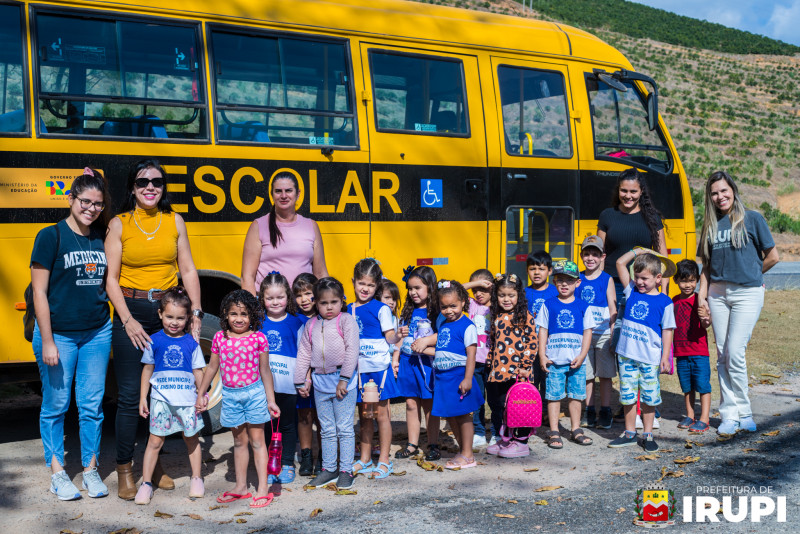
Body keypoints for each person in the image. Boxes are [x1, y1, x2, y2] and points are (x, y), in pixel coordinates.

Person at [105, 159, 203, 500]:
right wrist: (127, 320)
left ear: (163, 188)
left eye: (157, 182)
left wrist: (196, 312)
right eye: (143, 182)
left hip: (167, 315)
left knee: (164, 394)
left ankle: (154, 465)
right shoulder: (119, 224)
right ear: (132, 187)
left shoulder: (174, 221)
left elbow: (188, 269)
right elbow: (111, 280)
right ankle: (124, 470)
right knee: (132, 396)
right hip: (131, 314)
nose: (151, 187)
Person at [30, 168, 112, 501]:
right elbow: (38, 292)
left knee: (91, 406)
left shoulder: (101, 237)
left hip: (96, 333)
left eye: (97, 204)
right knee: (56, 405)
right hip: (59, 336)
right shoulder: (50, 236)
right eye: (85, 201)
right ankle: (58, 474)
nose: (91, 208)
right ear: (71, 199)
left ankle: (90, 470)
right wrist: (48, 340)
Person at [696, 171, 779, 435]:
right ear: (709, 197)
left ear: (733, 189)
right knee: (722, 354)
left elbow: (772, 256)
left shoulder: (752, 218)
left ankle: (745, 411)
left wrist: (753, 275)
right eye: (714, 193)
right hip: (718, 294)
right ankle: (729, 415)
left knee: (735, 351)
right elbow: (706, 266)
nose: (720, 196)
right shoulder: (710, 225)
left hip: (747, 293)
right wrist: (702, 294)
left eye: (723, 190)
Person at [195, 290, 280, 508]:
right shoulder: (219, 338)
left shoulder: (258, 338)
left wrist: (271, 400)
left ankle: (263, 488)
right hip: (230, 397)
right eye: (233, 314)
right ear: (225, 315)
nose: (239, 319)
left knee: (258, 441)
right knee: (239, 442)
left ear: (252, 315)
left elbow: (265, 371)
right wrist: (201, 394)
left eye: (244, 314)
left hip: (254, 394)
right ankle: (241, 486)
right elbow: (212, 367)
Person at [136, 287, 206, 505]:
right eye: (169, 317)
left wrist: (201, 396)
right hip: (160, 401)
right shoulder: (153, 341)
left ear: (187, 318)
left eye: (180, 318)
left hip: (187, 402)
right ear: (160, 315)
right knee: (155, 441)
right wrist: (142, 398)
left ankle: (197, 478)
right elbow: (147, 370)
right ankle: (146, 483)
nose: (174, 322)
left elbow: (198, 372)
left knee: (192, 439)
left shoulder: (191, 343)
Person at [295, 278, 360, 490]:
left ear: (342, 301)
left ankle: (345, 470)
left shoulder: (346, 321)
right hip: (320, 383)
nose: (329, 307)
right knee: (326, 429)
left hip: (343, 381)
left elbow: (352, 350)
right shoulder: (311, 324)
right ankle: (329, 468)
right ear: (317, 303)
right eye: (324, 303)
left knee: (344, 428)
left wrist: (344, 379)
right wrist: (300, 380)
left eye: (334, 301)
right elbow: (304, 352)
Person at [607, 249, 675, 452]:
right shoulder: (631, 291)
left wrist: (665, 357)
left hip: (650, 359)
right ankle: (629, 433)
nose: (639, 282)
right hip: (627, 356)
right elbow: (620, 262)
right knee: (627, 395)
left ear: (658, 278)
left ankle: (647, 435)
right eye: (636, 277)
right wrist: (639, 251)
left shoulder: (665, 302)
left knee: (649, 397)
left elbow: (668, 331)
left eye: (644, 278)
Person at [348, 259, 403, 479]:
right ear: (353, 282)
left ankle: (384, 459)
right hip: (359, 371)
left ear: (377, 285)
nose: (365, 289)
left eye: (370, 285)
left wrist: (397, 337)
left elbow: (389, 335)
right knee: (364, 416)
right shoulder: (348, 309)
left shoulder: (382, 309)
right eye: (361, 283)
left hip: (379, 370)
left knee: (381, 415)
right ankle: (364, 458)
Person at [537, 261, 596, 449]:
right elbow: (543, 331)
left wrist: (583, 354)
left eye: (568, 281)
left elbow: (588, 332)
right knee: (553, 396)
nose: (564, 284)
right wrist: (542, 355)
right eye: (560, 280)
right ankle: (554, 430)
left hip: (576, 361)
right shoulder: (549, 304)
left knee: (576, 395)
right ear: (554, 281)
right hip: (554, 360)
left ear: (577, 283)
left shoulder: (583, 306)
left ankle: (576, 429)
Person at [597, 168, 668, 322]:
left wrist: (664, 291)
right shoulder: (606, 216)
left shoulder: (652, 218)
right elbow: (599, 255)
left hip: (644, 284)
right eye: (624, 191)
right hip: (612, 284)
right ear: (618, 190)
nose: (628, 196)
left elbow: (663, 258)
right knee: (612, 331)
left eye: (633, 191)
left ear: (641, 191)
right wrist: (600, 285)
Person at [241, 172, 328, 292]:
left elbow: (320, 273)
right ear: (271, 194)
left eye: (288, 190)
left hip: (303, 305)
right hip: (269, 305)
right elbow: (247, 277)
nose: (283, 195)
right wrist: (254, 308)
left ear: (298, 193)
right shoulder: (258, 226)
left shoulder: (311, 226)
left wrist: (328, 298)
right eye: (278, 191)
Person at [429, 280, 484, 470]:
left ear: (463, 302)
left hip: (459, 377)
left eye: (453, 305)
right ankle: (463, 451)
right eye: (444, 307)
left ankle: (468, 455)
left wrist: (468, 378)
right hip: (444, 379)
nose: (449, 310)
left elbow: (471, 355)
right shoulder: (443, 325)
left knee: (463, 416)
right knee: (451, 416)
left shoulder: (467, 326)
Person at [259, 272, 305, 484]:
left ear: (288, 297)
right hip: (263, 386)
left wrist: (306, 378)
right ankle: (270, 463)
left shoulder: (296, 323)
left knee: (286, 425)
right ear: (263, 299)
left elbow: (305, 352)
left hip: (288, 384)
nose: (275, 302)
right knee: (266, 425)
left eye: (280, 297)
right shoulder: (257, 323)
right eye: (270, 298)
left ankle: (286, 463)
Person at [485, 273, 537, 458]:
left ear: (519, 296)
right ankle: (506, 439)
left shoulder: (525, 316)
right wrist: (490, 363)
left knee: (519, 406)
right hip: (498, 371)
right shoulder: (496, 316)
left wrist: (525, 365)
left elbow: (532, 343)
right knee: (499, 405)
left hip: (518, 373)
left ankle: (521, 442)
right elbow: (493, 341)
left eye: (511, 295)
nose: (506, 299)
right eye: (502, 295)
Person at [395, 266, 441, 461]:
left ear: (430, 287)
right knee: (411, 403)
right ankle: (412, 444)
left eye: (418, 287)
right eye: (410, 288)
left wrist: (426, 341)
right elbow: (399, 337)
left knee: (429, 405)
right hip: (408, 362)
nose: (413, 292)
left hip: (427, 364)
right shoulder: (407, 310)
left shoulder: (437, 311)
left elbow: (444, 335)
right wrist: (396, 357)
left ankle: (433, 443)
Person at [577, 236, 617, 429]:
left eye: (595, 254)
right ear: (581, 255)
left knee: (606, 374)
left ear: (603, 257)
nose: (590, 258)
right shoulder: (577, 279)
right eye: (586, 254)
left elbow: (612, 307)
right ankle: (589, 410)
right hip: (585, 335)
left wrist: (612, 332)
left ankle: (606, 410)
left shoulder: (607, 279)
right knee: (587, 374)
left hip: (603, 334)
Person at [671, 260, 713, 434]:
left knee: (703, 385)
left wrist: (705, 318)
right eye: (683, 280)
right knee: (687, 387)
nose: (687, 285)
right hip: (681, 353)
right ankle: (690, 415)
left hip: (699, 352)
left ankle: (704, 418)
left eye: (691, 280)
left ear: (696, 280)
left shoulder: (700, 300)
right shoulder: (674, 301)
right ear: (676, 281)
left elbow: (707, 324)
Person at [292, 273, 322, 477]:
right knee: (303, 416)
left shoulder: (324, 317)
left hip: (321, 375)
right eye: (298, 295)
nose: (303, 299)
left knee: (322, 417)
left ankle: (323, 457)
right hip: (302, 375)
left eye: (308, 294)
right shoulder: (294, 320)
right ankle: (306, 455)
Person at [462, 269, 493, 448]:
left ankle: (497, 432)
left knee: (496, 401)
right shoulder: (472, 305)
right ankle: (479, 431)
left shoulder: (497, 305)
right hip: (476, 362)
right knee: (478, 398)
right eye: (476, 290)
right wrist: (476, 284)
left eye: (484, 289)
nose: (479, 294)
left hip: (495, 362)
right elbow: (454, 289)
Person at [378, 278, 403, 379]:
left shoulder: (397, 321)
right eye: (387, 297)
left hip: (391, 360)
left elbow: (399, 343)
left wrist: (395, 361)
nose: (391, 302)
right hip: (376, 361)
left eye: (394, 299)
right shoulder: (373, 319)